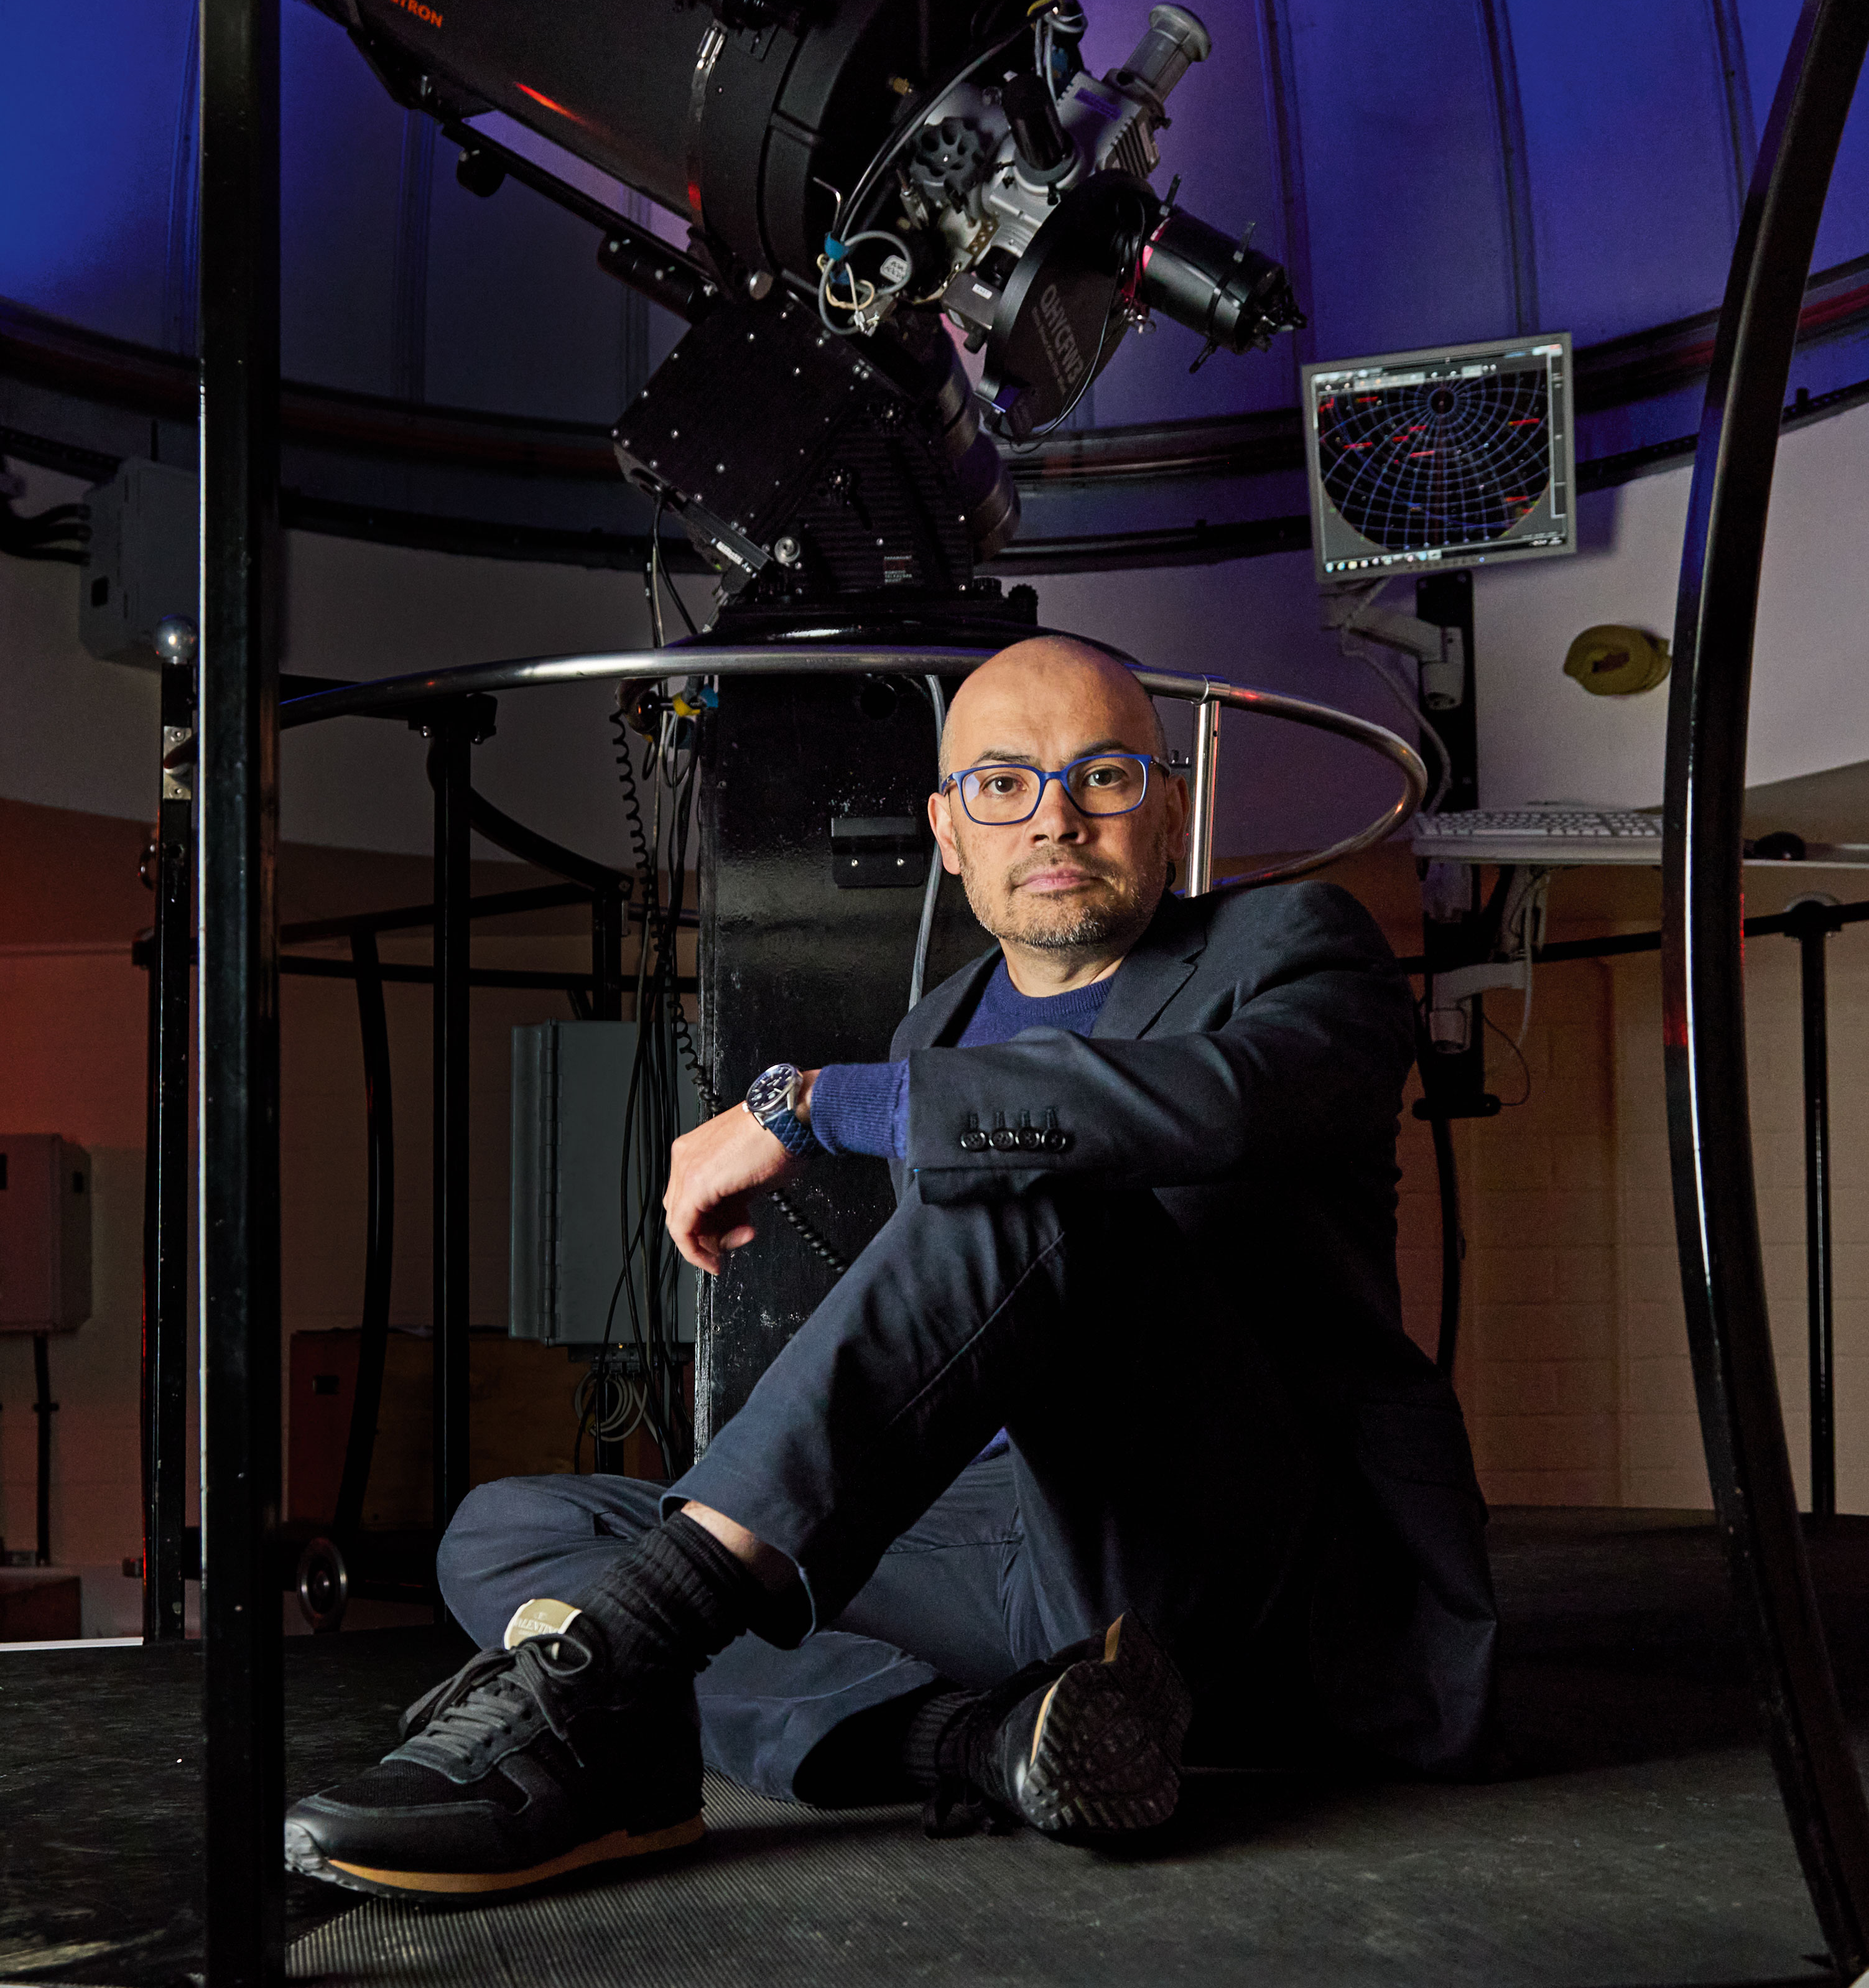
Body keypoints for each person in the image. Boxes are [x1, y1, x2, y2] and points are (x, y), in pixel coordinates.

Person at [285, 636, 1496, 1900]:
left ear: (1173, 805)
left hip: (1239, 1550)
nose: (1055, 818)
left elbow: (1227, 1103)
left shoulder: (1293, 940)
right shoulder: (943, 1023)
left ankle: (608, 1686)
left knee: (1028, 1178)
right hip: (1001, 1557)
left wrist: (815, 1102)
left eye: (1105, 777)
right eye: (1003, 785)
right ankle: (972, 1741)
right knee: (511, 1532)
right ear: (949, 829)